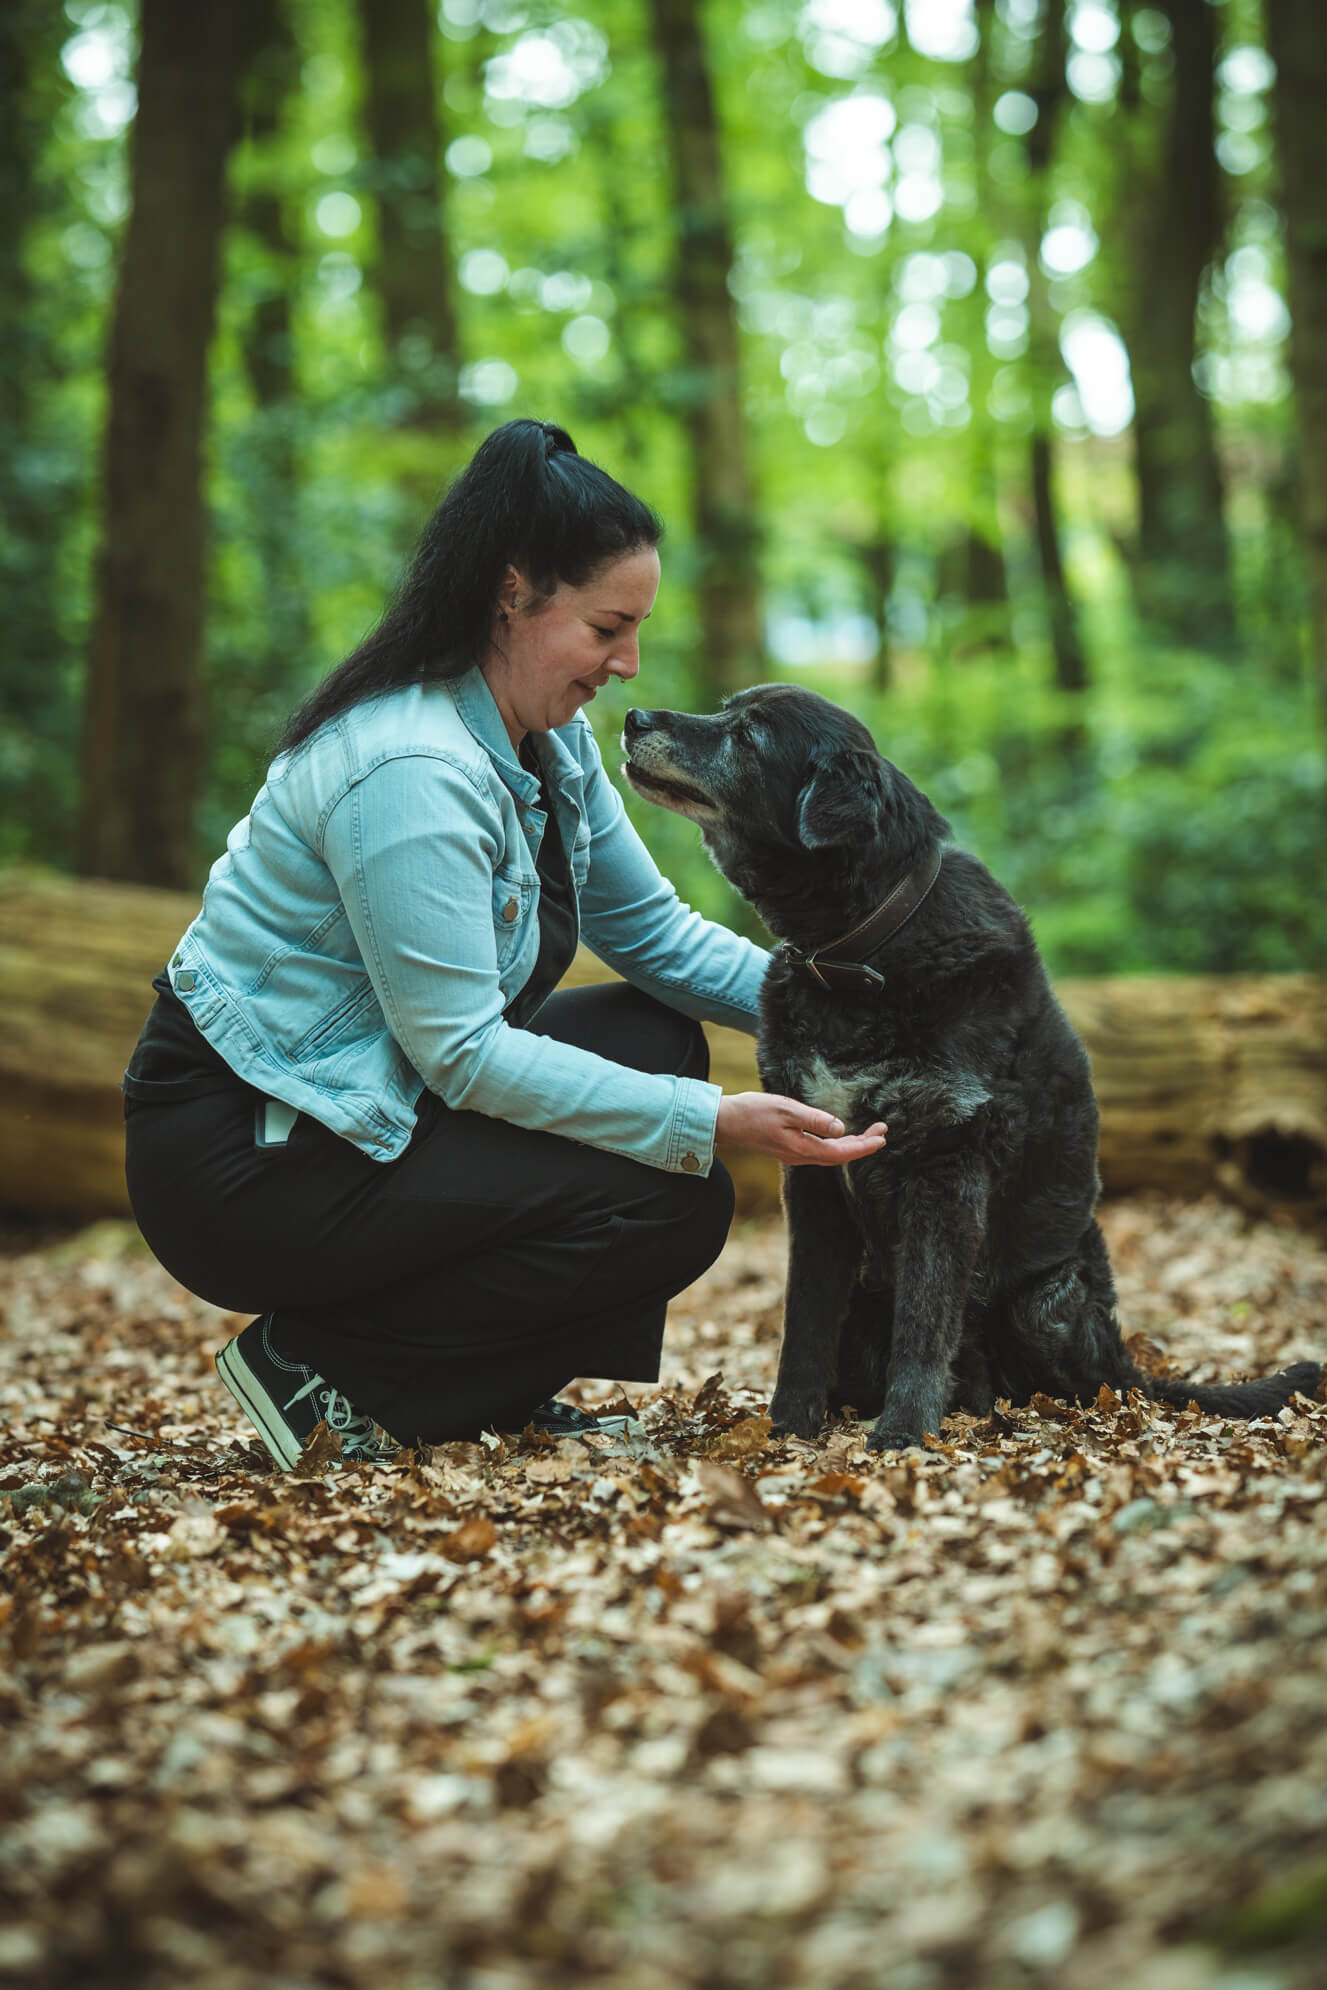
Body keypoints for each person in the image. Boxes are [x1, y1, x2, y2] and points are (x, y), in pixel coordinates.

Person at [122, 419, 886, 1468]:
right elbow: (463, 1054)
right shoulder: (410, 767)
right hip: (247, 1153)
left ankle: (464, 1386)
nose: (626, 665)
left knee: (649, 1032)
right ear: (513, 594)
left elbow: (652, 935)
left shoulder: (548, 737)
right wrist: (711, 1119)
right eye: (608, 628)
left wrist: (856, 1001)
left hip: (361, 1100)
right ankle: (334, 1373)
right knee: (676, 1195)